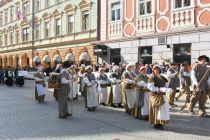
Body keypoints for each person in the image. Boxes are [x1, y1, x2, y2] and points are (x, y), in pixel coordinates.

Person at [147, 65, 172, 130]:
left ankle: (161, 122)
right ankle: (156, 123)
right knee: (156, 110)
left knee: (162, 110)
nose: (156, 70)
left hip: (162, 95)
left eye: (157, 69)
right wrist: (159, 89)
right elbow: (150, 87)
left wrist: (166, 88)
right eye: (155, 69)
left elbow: (166, 84)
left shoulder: (162, 77)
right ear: (153, 70)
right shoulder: (152, 77)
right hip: (155, 95)